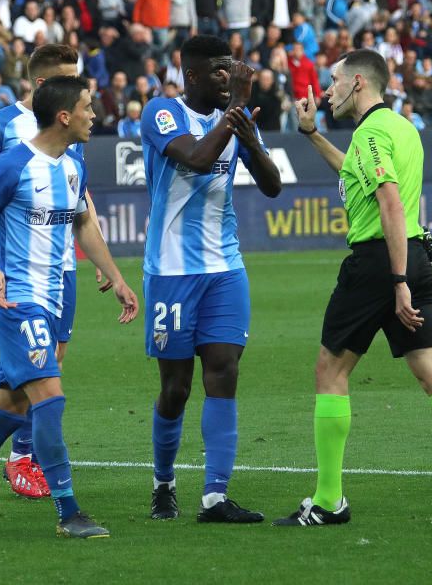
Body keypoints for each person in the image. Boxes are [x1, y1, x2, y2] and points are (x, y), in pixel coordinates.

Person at [274, 49, 432, 527]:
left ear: (358, 83)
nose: (327, 89)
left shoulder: (371, 131)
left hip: (381, 262)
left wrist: (396, 282)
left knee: (329, 371)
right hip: (415, 254)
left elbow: (390, 203)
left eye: (333, 80)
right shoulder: (400, 128)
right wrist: (312, 135)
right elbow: (357, 175)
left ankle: (328, 500)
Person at [0, 75, 139, 538]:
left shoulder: (73, 166)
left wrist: (115, 277)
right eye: (87, 108)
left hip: (51, 301)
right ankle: (69, 512)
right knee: (49, 399)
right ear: (64, 116)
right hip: (16, 302)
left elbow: (84, 226)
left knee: (9, 410)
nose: (94, 115)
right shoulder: (11, 165)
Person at [0, 44, 104, 499]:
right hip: (17, 265)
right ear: (42, 85)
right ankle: (24, 459)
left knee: (52, 361)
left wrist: (99, 257)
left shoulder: (72, 129)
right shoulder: (1, 125)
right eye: (69, 79)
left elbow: (78, 191)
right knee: (41, 371)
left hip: (63, 262)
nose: (79, 88)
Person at [140, 35, 282, 523]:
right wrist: (237, 109)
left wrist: (247, 135)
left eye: (232, 69)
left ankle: (215, 497)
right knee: (176, 387)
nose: (231, 76)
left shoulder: (234, 120)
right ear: (193, 75)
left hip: (225, 268)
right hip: (172, 271)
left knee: (223, 372)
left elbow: (272, 185)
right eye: (220, 70)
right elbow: (197, 159)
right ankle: (163, 483)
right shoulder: (162, 112)